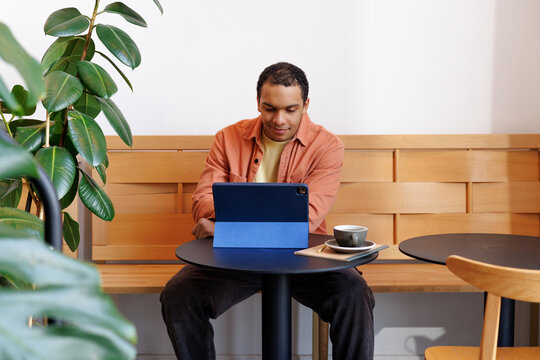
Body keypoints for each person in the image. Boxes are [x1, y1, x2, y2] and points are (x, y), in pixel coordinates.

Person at [160, 62, 375, 360]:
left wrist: (225, 225)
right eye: (269, 108)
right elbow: (201, 203)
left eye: (290, 109)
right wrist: (242, 222)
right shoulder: (228, 138)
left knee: (354, 294)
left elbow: (307, 217)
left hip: (305, 258)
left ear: (306, 105)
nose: (279, 119)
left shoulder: (327, 146)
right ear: (258, 103)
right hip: (233, 258)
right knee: (179, 295)